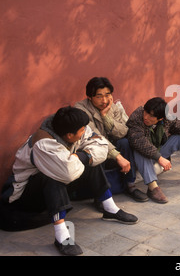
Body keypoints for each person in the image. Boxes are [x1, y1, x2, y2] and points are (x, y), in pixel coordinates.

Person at [0, 106, 138, 256]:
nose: (85, 132)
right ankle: (62, 237)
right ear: (70, 135)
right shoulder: (43, 143)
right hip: (23, 199)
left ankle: (109, 208)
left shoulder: (71, 129)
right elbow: (67, 172)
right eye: (81, 131)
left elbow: (101, 145)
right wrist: (83, 156)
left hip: (53, 184)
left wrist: (81, 156)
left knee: (90, 161)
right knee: (52, 175)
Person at [75, 77, 148, 202]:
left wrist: (105, 116)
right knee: (96, 151)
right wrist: (118, 156)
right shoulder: (81, 109)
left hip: (110, 148)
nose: (104, 100)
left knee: (124, 142)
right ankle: (100, 196)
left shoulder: (112, 107)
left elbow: (123, 131)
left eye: (107, 95)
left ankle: (130, 185)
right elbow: (94, 136)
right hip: (92, 148)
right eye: (99, 96)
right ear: (90, 97)